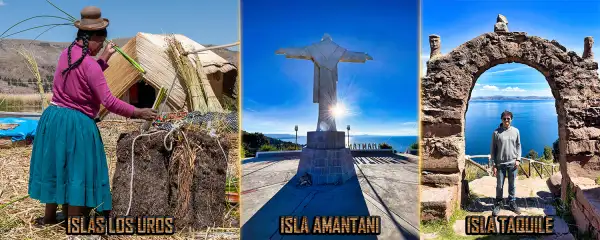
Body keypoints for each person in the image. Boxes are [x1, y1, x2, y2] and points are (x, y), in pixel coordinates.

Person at [27, 6, 157, 226]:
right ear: (93, 39)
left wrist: (104, 58)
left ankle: (48, 218)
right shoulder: (89, 65)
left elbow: (84, 72)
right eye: (101, 43)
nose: (101, 48)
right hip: (76, 124)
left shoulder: (66, 54)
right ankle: (74, 224)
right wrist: (139, 112)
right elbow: (108, 101)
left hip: (53, 119)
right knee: (78, 171)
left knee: (58, 167)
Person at [490, 110, 522, 216]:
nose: (506, 120)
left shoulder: (516, 131)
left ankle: (512, 202)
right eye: (504, 118)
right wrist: (493, 164)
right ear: (501, 119)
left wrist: (518, 159)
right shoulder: (496, 132)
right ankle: (498, 203)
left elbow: (518, 146)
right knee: (499, 186)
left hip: (512, 163)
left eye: (508, 118)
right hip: (500, 164)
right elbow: (493, 150)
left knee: (512, 185)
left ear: (511, 119)